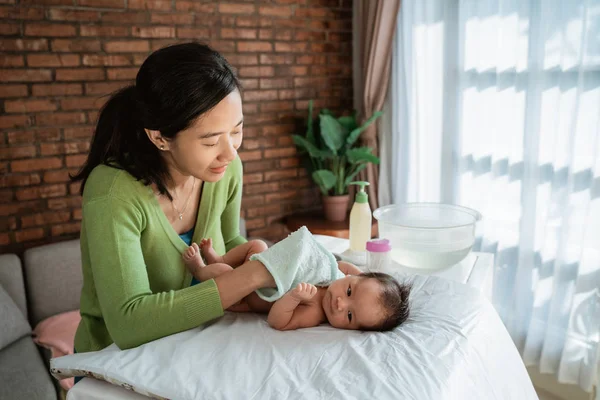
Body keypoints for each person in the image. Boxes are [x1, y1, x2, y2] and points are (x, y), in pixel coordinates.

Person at [70, 42, 277, 355]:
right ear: (160, 137)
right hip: (114, 363)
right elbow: (129, 322)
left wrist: (257, 257)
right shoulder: (113, 191)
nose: (231, 152)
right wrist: (250, 276)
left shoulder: (227, 169)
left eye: (237, 131)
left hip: (196, 347)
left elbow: (229, 240)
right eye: (210, 141)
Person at [182, 229, 412, 332]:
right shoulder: (340, 274)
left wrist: (293, 298)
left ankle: (201, 270)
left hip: (248, 295)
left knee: (223, 272)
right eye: (350, 292)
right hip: (261, 265)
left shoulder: (315, 310)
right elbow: (345, 268)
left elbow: (278, 322)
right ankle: (220, 257)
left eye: (350, 316)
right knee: (258, 245)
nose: (341, 304)